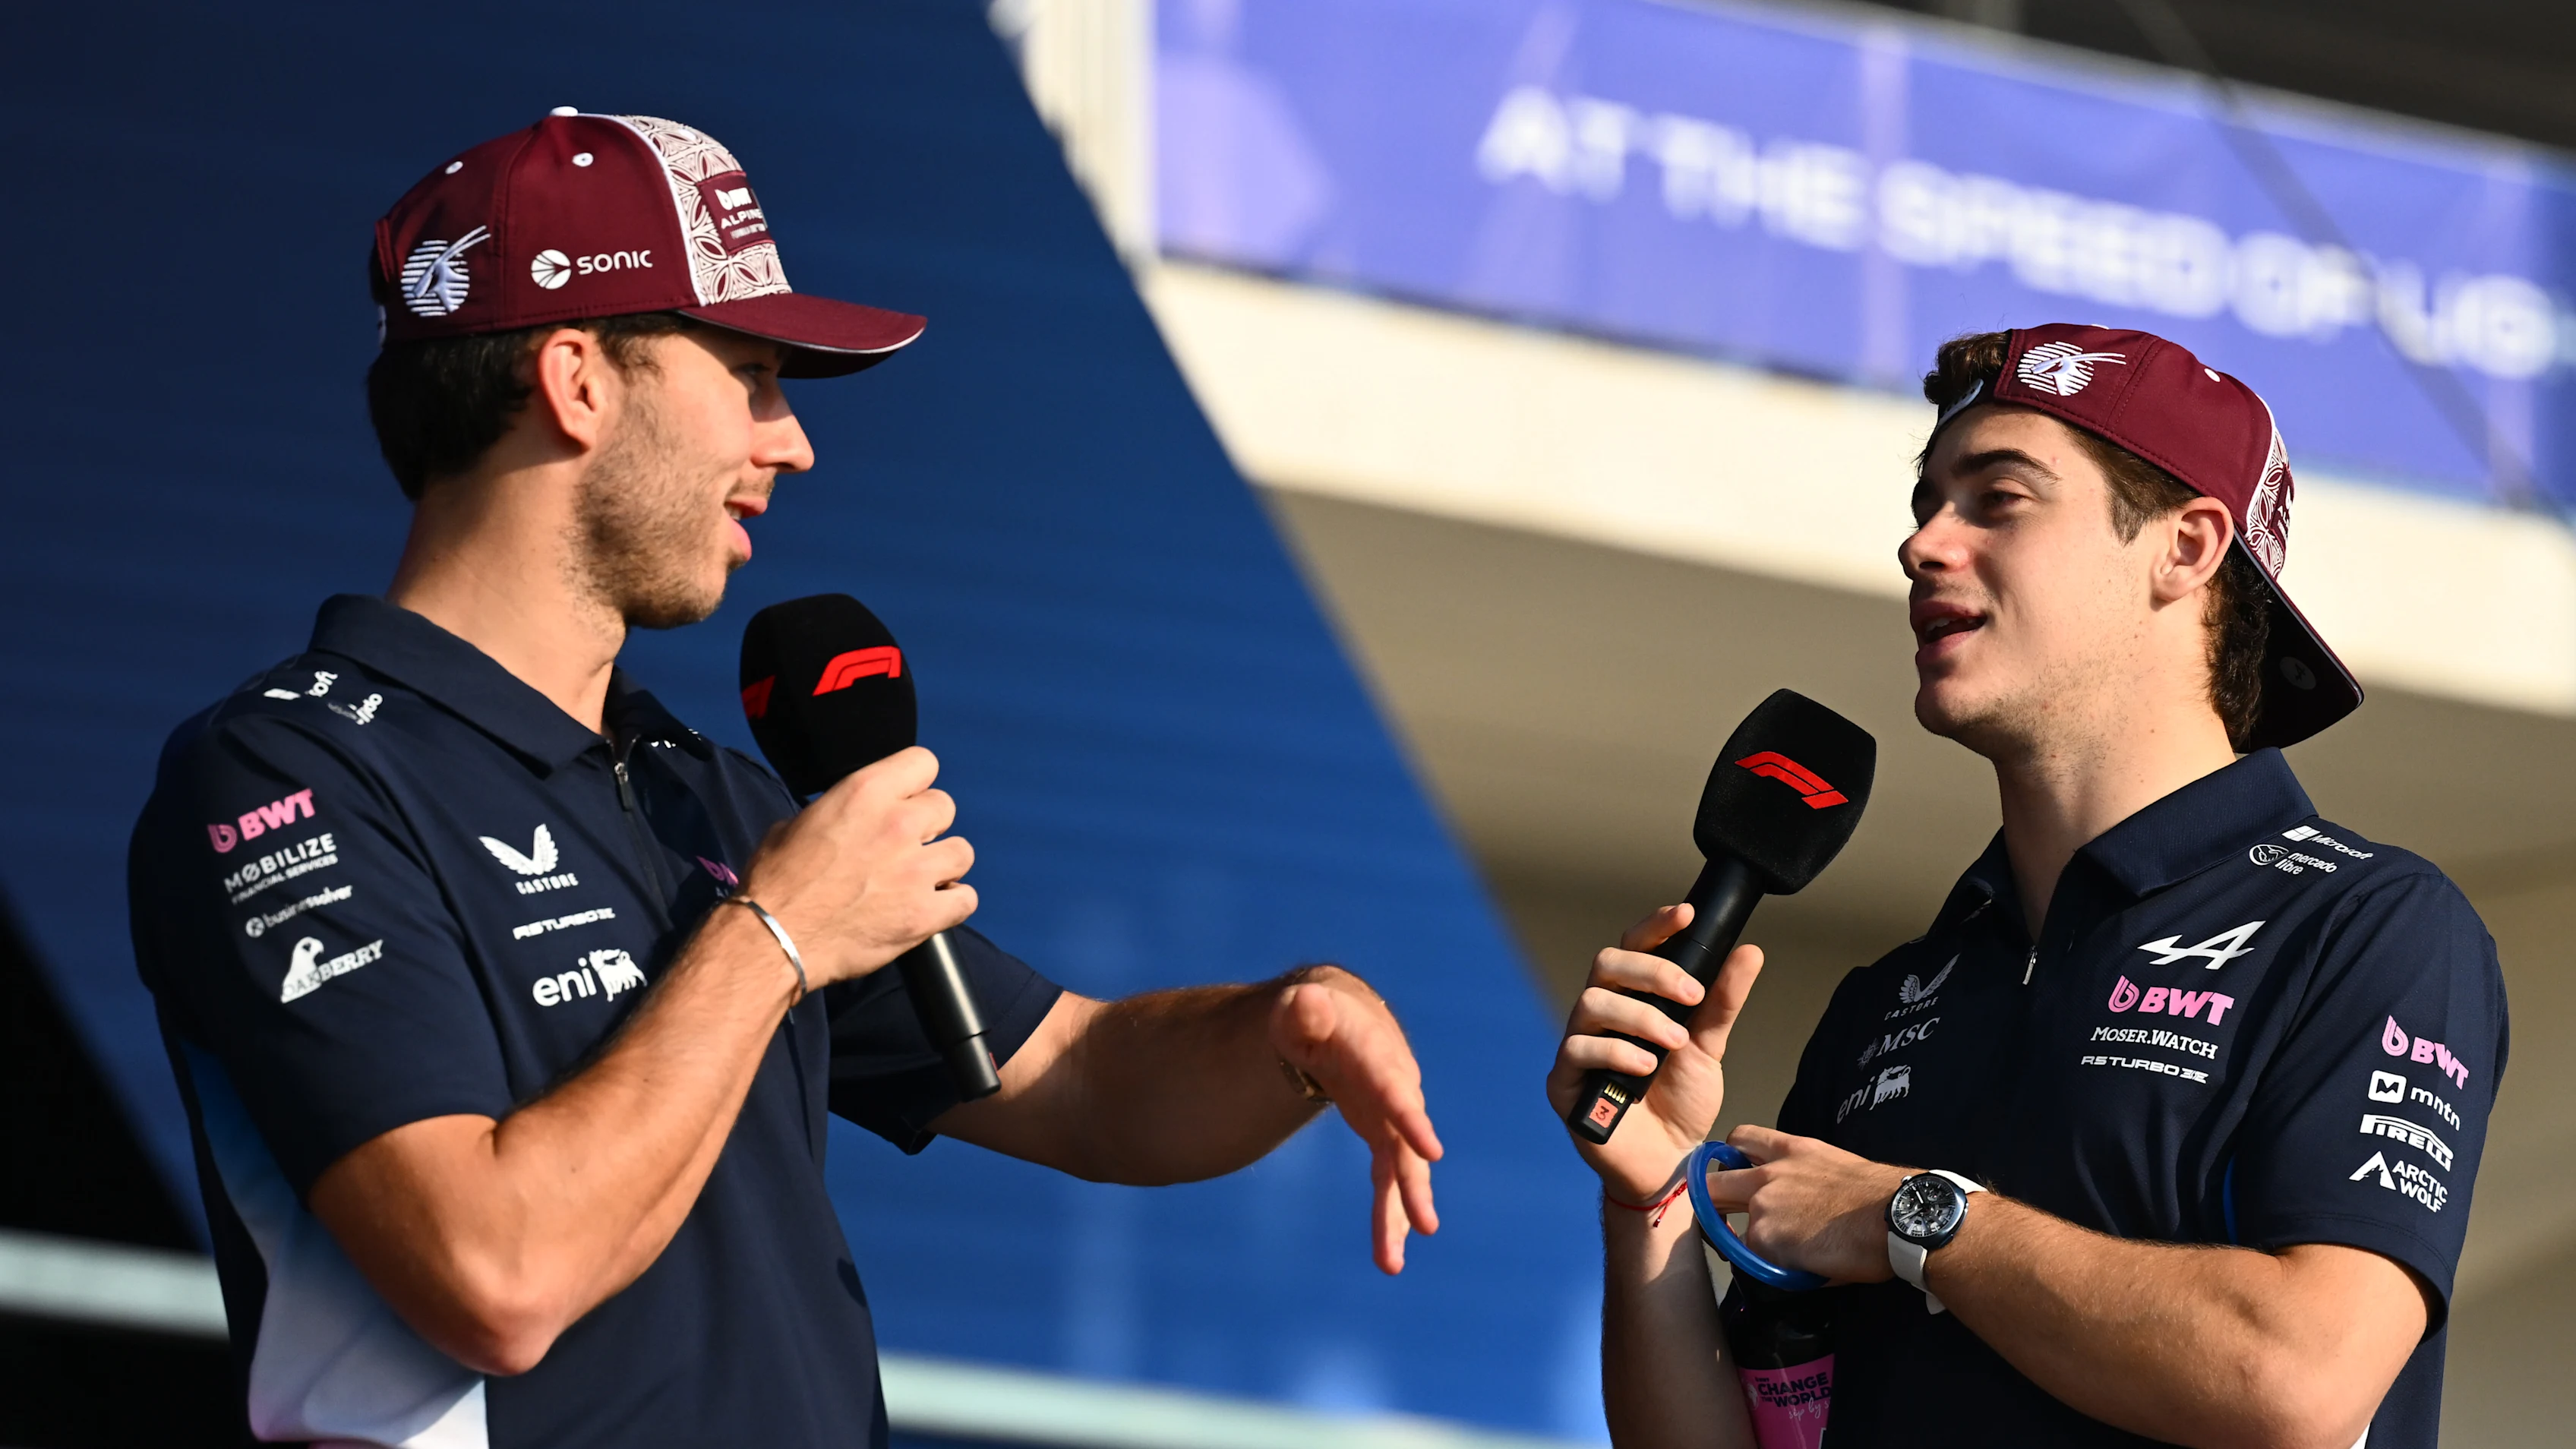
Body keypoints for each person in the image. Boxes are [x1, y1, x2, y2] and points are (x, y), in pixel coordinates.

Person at [129, 109, 1441, 1449]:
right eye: (753, 375)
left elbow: (1087, 1084)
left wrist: (1285, 1026)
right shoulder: (289, 772)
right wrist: (776, 937)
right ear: (577, 381)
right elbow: (494, 1275)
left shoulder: (706, 796)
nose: (792, 442)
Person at [1548, 325, 2508, 1448]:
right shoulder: (1891, 1000)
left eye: (1998, 500)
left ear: (2186, 547)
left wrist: (1911, 1218)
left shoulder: (2368, 927)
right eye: (1925, 505)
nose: (1922, 546)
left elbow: (2298, 1378)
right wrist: (1650, 1198)